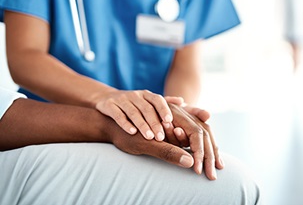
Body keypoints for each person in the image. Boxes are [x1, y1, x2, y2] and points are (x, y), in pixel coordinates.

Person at [1, 0, 241, 174]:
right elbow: (25, 57)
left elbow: (185, 66)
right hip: (53, 131)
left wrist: (171, 117)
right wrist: (106, 98)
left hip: (147, 135)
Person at [0, 86, 259, 205]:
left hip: (135, 117)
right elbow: (26, 55)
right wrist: (109, 120)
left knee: (224, 181)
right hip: (56, 119)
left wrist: (167, 118)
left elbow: (187, 57)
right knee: (231, 185)